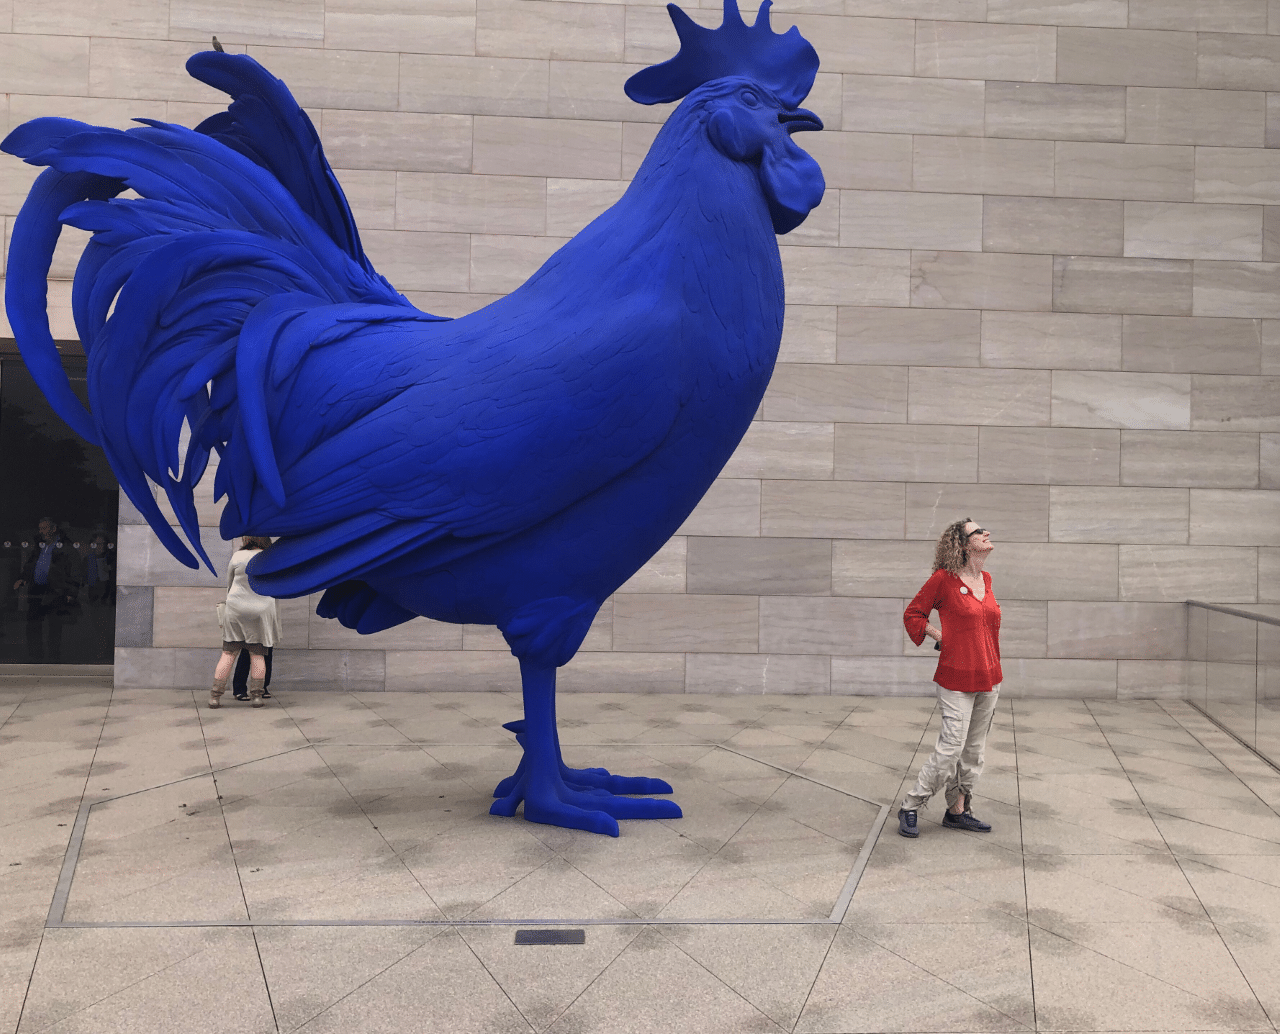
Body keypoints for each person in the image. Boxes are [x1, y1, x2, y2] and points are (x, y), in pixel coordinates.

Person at [898, 518, 1001, 838]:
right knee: (950, 750)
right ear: (962, 543)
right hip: (956, 678)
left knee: (974, 752)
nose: (986, 533)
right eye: (978, 531)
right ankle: (911, 805)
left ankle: (957, 810)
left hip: (989, 676)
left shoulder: (986, 578)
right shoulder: (943, 580)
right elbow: (913, 613)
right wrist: (936, 633)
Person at [210, 536, 280, 708]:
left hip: (236, 609)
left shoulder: (237, 556)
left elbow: (229, 584)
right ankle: (257, 696)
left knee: (228, 654)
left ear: (248, 539)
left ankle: (215, 696)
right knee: (257, 655)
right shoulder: (270, 557)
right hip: (261, 611)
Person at [13, 517, 78, 662]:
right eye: (40, 529)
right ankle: (35, 657)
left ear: (53, 529)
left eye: (44, 528)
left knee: (54, 628)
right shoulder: (40, 546)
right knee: (33, 626)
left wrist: (71, 592)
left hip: (55, 592)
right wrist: (23, 578)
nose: (41, 532)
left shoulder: (65, 547)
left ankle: (54, 658)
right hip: (37, 591)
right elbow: (30, 565)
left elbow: (74, 570)